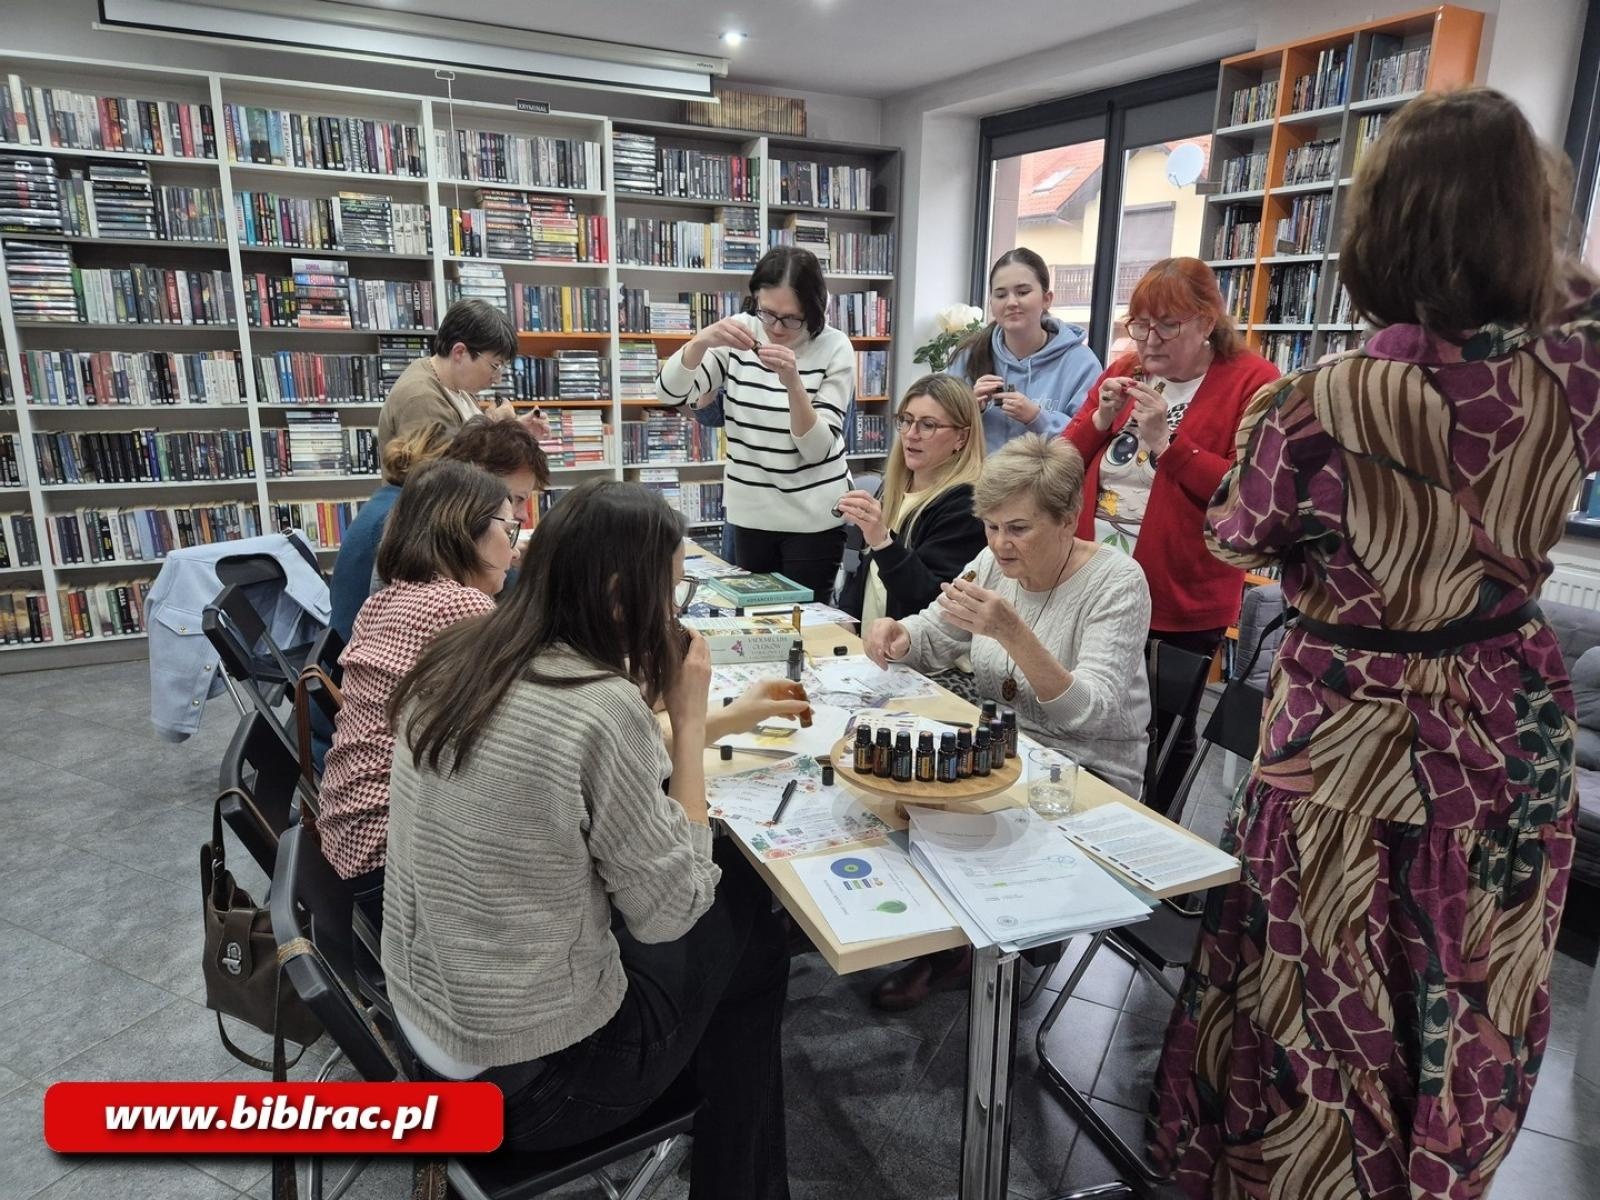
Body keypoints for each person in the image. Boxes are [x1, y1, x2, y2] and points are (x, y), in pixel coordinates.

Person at [1149, 88, 1593, 1199]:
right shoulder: (1573, 371)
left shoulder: (1318, 400)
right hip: (1504, 723)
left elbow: (1240, 530)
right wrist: (1518, 277)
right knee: (1472, 975)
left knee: (1321, 983)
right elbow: (1576, 300)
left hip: (1342, 724)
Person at [382, 479, 790, 1198]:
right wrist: (691, 724)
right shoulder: (598, 708)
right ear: (614, 593)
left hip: (425, 1022)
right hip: (534, 1086)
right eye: (667, 595)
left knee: (710, 910)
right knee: (748, 921)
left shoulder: (458, 652)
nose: (673, 614)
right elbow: (673, 911)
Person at [862, 435, 1151, 1010]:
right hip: (1005, 753)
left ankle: (952, 951)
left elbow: (1090, 711)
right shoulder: (992, 562)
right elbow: (938, 633)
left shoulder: (1118, 581)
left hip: (1085, 775)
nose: (999, 543)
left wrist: (1013, 634)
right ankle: (897, 930)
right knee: (885, 793)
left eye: (1018, 528)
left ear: (1068, 519)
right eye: (992, 526)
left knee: (926, 812)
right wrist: (900, 636)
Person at [1062, 258, 1279, 813]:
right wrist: (1100, 419)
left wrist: (1169, 443)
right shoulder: (1129, 368)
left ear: (1207, 323)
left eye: (1167, 326)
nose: (1150, 340)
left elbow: (1248, 494)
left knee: (1160, 731)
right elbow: (1062, 461)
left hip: (1181, 596)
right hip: (1096, 580)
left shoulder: (1253, 382)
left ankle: (1156, 841)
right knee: (1093, 716)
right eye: (1140, 324)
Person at [316, 460, 516, 929]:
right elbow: (526, 727)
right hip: (392, 864)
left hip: (349, 843)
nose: (514, 544)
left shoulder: (387, 598)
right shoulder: (460, 604)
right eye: (510, 526)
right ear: (467, 531)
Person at [655, 245, 853, 599]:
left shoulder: (835, 346)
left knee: (808, 626)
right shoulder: (740, 334)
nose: (777, 328)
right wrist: (700, 342)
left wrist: (793, 382)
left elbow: (818, 449)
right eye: (768, 312)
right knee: (749, 623)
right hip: (750, 514)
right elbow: (669, 394)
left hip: (815, 518)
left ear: (814, 308)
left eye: (792, 318)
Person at [329, 415, 551, 644]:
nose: (523, 514)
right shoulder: (454, 600)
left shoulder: (416, 521)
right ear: (477, 483)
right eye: (514, 499)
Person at [835, 374, 986, 626]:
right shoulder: (893, 487)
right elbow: (864, 571)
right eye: (906, 420)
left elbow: (929, 599)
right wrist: (847, 622)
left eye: (928, 425)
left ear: (961, 437)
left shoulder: (966, 503)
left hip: (917, 659)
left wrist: (882, 541)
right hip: (871, 651)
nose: (911, 434)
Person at [947, 248, 1104, 452]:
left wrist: (1037, 417)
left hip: (1048, 482)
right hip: (977, 482)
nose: (1012, 302)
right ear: (991, 303)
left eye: (1023, 292)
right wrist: (967, 408)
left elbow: (1089, 437)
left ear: (1047, 299)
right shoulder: (967, 357)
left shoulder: (1082, 363)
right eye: (1001, 295)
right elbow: (937, 429)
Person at [375, 298, 550, 457]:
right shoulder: (421, 398)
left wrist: (517, 432)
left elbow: (467, 446)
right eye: (495, 366)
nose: (497, 379)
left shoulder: (457, 386)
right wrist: (495, 427)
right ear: (459, 352)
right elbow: (449, 477)